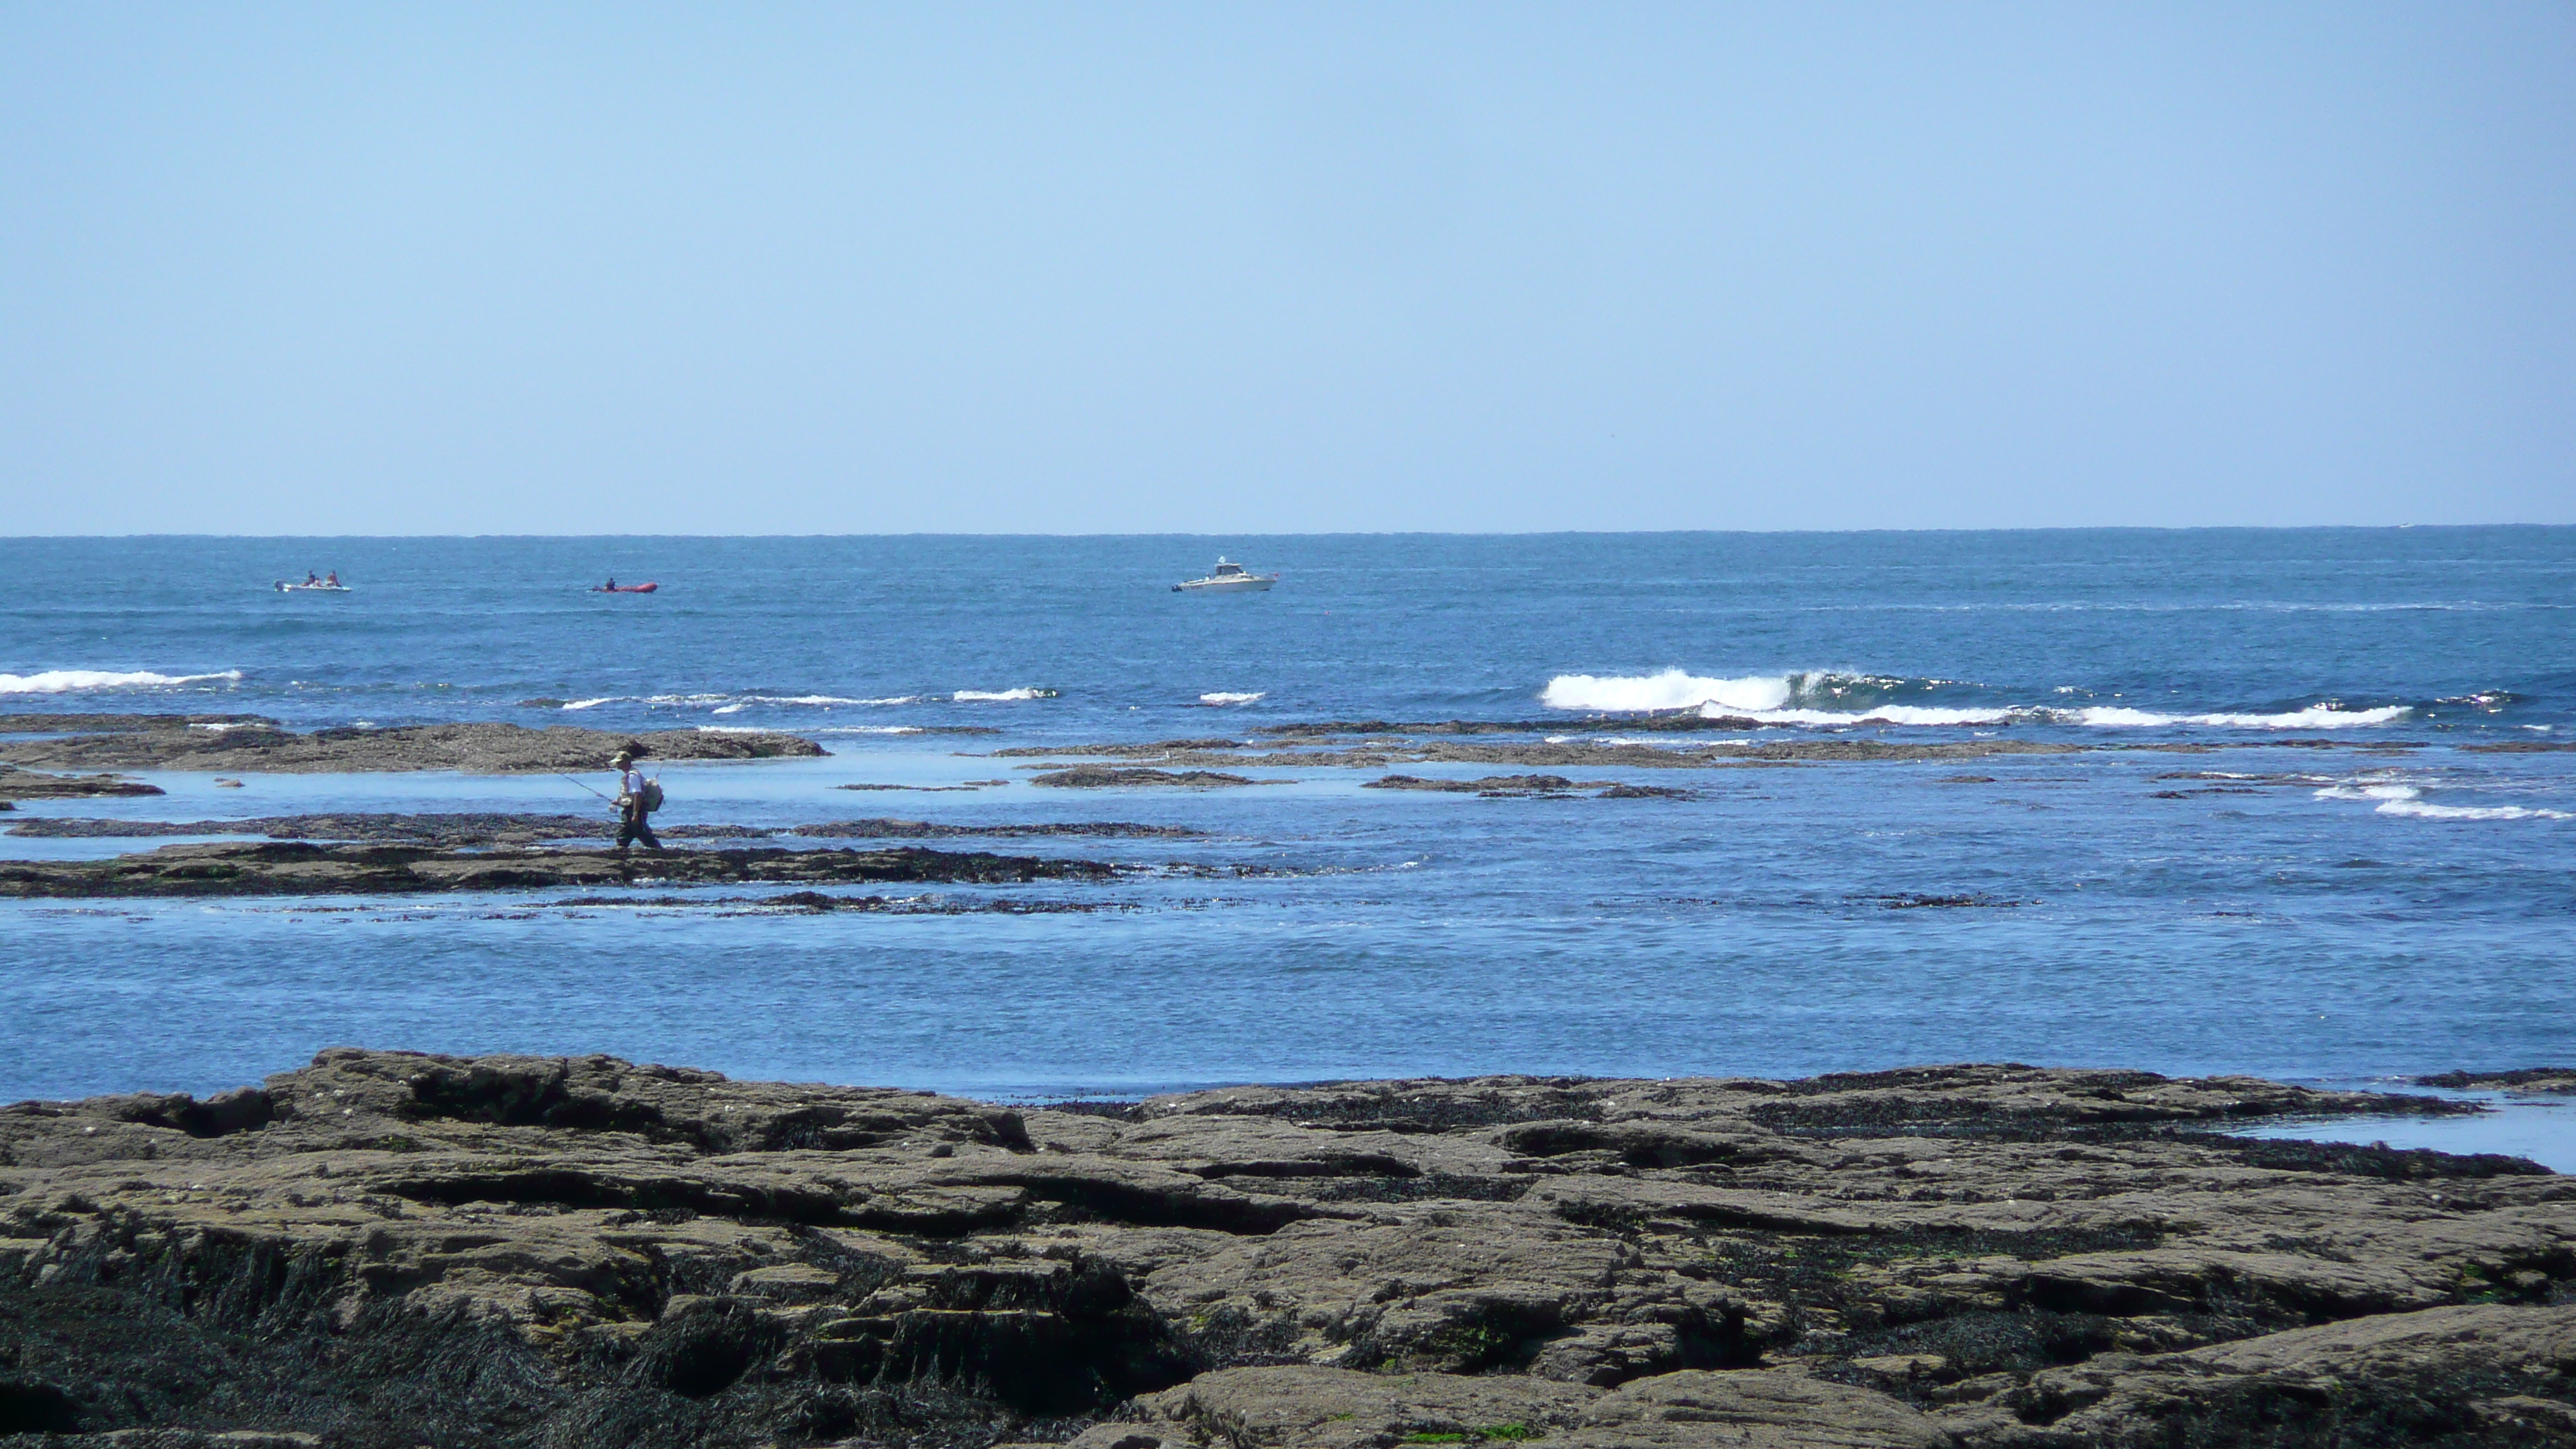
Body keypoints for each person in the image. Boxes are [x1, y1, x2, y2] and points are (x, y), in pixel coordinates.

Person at [611, 748, 661, 851]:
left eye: (619, 763)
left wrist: (635, 814)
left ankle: (657, 850)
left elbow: (637, 794)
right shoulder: (630, 775)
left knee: (641, 832)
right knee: (627, 831)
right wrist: (619, 801)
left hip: (633, 810)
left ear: (626, 762)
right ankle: (621, 849)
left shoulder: (633, 776)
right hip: (630, 809)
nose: (617, 765)